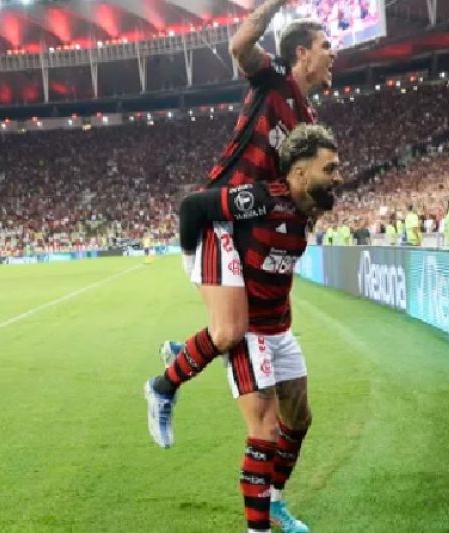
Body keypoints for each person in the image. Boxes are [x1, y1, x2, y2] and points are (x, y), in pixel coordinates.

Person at [144, 0, 336, 448]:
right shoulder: (274, 81)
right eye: (326, 46)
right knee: (231, 332)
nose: (333, 55)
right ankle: (162, 386)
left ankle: (185, 355)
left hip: (251, 232)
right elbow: (240, 45)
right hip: (220, 220)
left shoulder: (309, 123)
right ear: (301, 54)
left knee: (234, 335)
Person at [160, 125, 342, 533]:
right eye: (329, 168)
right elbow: (193, 206)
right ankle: (256, 528)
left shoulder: (307, 210)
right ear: (298, 173)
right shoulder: (259, 201)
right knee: (266, 429)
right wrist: (192, 263)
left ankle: (275, 503)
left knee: (300, 418)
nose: (337, 176)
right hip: (249, 332)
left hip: (280, 329)